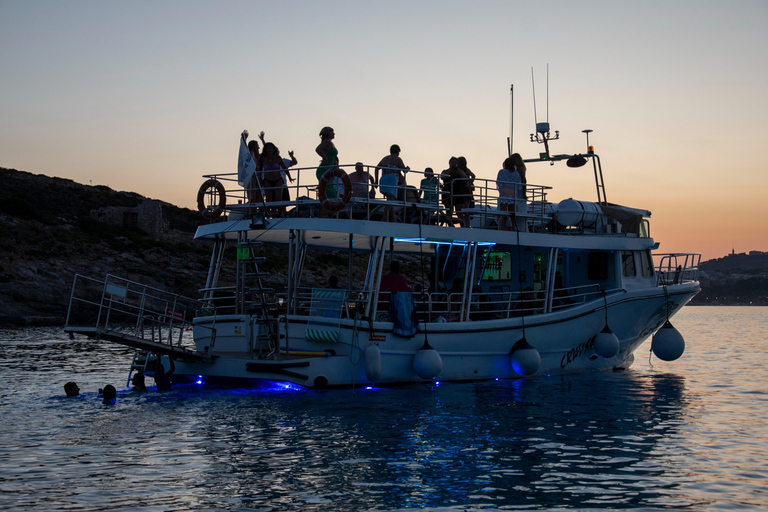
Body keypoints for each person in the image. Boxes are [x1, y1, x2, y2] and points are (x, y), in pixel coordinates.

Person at [376, 145, 408, 222]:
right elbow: (404, 170)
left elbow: (376, 168)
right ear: (398, 152)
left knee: (390, 200)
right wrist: (407, 168)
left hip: (383, 179)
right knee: (390, 201)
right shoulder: (398, 159)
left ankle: (393, 219)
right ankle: (384, 218)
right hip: (391, 180)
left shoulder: (385, 158)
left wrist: (376, 181)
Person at [496, 154, 527, 231]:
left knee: (503, 214)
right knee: (512, 213)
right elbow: (520, 184)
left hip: (504, 194)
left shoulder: (502, 172)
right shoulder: (516, 173)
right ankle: (514, 226)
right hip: (513, 195)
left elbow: (498, 182)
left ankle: (502, 226)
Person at [315, 126, 339, 217]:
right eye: (332, 132)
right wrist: (324, 157)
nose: (334, 134)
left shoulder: (331, 143)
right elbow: (318, 149)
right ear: (328, 133)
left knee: (328, 192)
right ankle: (323, 214)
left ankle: (326, 213)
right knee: (326, 191)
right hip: (324, 169)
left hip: (328, 169)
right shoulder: (326, 142)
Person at [441, 157, 470, 225]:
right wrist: (450, 171)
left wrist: (459, 172)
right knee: (448, 211)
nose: (454, 164)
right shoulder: (445, 171)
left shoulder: (460, 171)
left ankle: (462, 225)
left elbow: (466, 179)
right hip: (448, 193)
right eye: (452, 162)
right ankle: (449, 225)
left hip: (458, 193)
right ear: (449, 163)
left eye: (455, 163)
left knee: (459, 211)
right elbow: (442, 177)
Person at [260, 142, 288, 207]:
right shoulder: (263, 159)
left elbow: (284, 167)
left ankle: (279, 213)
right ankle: (269, 213)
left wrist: (290, 177)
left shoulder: (278, 158)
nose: (270, 150)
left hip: (278, 179)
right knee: (268, 199)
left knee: (279, 199)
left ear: (273, 149)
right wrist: (260, 179)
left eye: (271, 148)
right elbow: (260, 170)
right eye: (268, 148)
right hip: (267, 180)